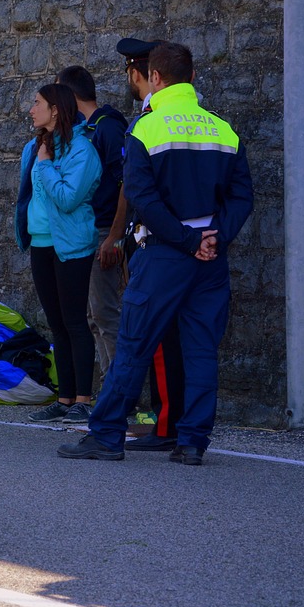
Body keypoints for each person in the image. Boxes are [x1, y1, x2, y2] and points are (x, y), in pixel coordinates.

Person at [59, 42, 253, 465]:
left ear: (157, 78)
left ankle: (107, 435)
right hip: (211, 259)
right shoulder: (223, 129)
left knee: (133, 344)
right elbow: (242, 197)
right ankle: (192, 442)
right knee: (201, 348)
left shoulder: (145, 128)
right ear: (193, 78)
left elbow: (143, 198)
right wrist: (214, 237)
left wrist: (185, 240)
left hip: (165, 254)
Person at [15, 83, 103, 424]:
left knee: (75, 323)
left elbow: (67, 199)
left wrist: (47, 165)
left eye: (37, 103)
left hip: (71, 246)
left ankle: (83, 399)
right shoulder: (34, 147)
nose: (31, 109)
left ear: (55, 110)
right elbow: (28, 197)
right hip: (40, 243)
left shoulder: (82, 150)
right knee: (56, 324)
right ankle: (64, 399)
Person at [116, 37, 185, 451]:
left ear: (140, 73)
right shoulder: (187, 116)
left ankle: (165, 425)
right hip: (183, 239)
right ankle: (173, 421)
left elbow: (138, 189)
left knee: (159, 339)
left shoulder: (150, 121)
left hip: (159, 241)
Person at [56, 65, 128, 386]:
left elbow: (128, 184)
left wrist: (114, 237)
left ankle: (119, 391)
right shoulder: (81, 131)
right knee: (90, 316)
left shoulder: (108, 129)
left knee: (105, 312)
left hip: (102, 233)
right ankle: (107, 386)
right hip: (82, 235)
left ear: (71, 96)